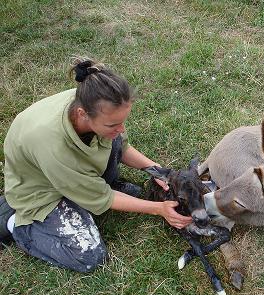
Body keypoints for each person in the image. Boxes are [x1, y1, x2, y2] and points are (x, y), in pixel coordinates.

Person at [0, 57, 192, 273]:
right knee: (89, 256)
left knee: (114, 141)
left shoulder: (94, 102)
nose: (120, 128)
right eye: (113, 124)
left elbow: (122, 148)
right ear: (82, 115)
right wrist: (159, 209)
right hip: (41, 193)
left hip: (66, 174)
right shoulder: (52, 144)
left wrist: (157, 170)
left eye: (122, 121)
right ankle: (19, 226)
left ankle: (84, 194)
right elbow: (103, 197)